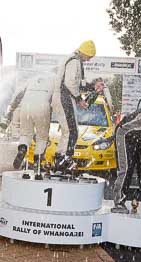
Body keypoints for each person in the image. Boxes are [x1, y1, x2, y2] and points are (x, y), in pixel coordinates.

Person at [51, 40, 95, 173]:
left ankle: (63, 160)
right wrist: (79, 99)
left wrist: (92, 86)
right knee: (71, 131)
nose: (88, 60)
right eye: (89, 57)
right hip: (64, 97)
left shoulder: (74, 60)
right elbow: (70, 83)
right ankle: (63, 160)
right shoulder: (74, 61)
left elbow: (78, 84)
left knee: (71, 131)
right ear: (85, 52)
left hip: (65, 97)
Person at [1, 73, 55, 178]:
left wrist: (12, 107)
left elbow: (20, 95)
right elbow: (56, 99)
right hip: (42, 107)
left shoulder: (32, 80)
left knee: (25, 135)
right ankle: (37, 166)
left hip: (26, 106)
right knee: (41, 138)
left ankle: (22, 148)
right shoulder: (54, 80)